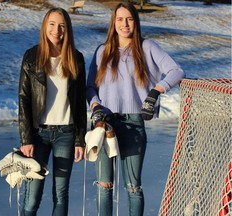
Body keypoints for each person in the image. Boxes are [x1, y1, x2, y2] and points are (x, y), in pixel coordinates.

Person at [86, 2, 185, 216]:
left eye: (129, 19)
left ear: (135, 22)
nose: (124, 24)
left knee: (133, 187)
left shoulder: (147, 47)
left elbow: (176, 71)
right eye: (120, 19)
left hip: (133, 124)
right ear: (113, 23)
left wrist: (155, 92)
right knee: (104, 186)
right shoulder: (102, 51)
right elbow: (90, 87)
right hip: (105, 123)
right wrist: (95, 106)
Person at [18, 7, 87, 216]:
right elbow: (24, 99)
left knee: (61, 194)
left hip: (66, 134)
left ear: (68, 30)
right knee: (32, 197)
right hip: (38, 135)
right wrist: (26, 138)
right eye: (52, 24)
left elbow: (80, 102)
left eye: (62, 26)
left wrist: (79, 139)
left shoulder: (76, 58)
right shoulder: (32, 56)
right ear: (45, 27)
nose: (57, 30)